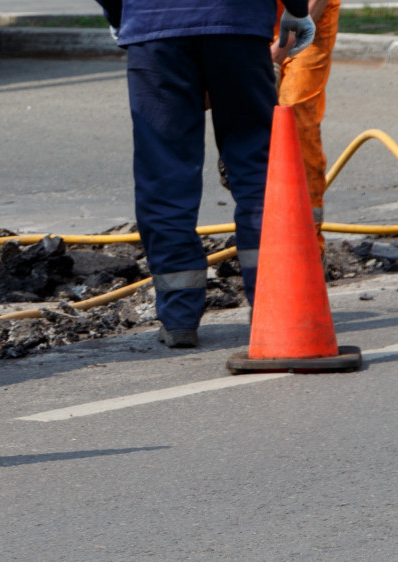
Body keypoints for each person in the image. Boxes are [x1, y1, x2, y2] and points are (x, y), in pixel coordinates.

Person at [116, 1, 315, 348]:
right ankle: (273, 303)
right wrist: (296, 9)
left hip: (154, 24)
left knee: (164, 170)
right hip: (238, 23)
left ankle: (179, 317)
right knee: (258, 169)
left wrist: (121, 16)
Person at [273, 0, 339, 254]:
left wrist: (279, 51)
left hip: (310, 16)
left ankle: (307, 244)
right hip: (254, 18)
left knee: (294, 116)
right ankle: (264, 230)